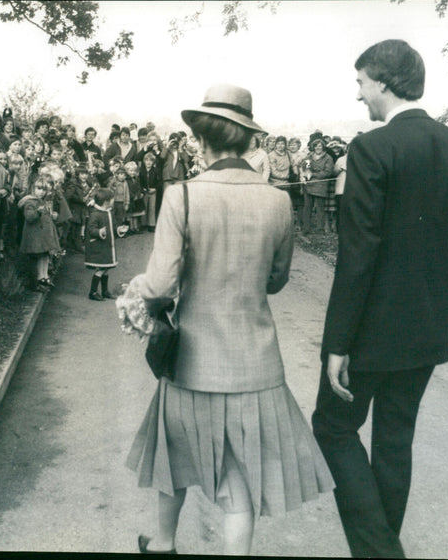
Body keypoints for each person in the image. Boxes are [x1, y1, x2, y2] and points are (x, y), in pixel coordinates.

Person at [125, 84, 333, 555]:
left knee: (172, 456)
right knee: (240, 479)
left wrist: (144, 302)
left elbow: (158, 286)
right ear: (248, 141)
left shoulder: (182, 196)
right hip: (254, 366)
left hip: (191, 362)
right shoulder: (278, 201)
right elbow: (276, 281)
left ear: (201, 141)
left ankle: (161, 544)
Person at [311, 40, 448, 558]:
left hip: (370, 333)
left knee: (332, 427)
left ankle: (380, 551)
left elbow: (357, 254)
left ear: (383, 83)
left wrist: (336, 343)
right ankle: (381, 547)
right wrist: (447, 320)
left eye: (362, 82)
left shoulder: (371, 148)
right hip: (427, 328)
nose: (359, 93)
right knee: (394, 439)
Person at [18, 176, 61, 291]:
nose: (41, 192)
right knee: (34, 260)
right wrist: (38, 212)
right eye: (38, 189)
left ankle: (41, 278)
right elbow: (29, 217)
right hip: (34, 237)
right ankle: (34, 284)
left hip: (41, 237)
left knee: (43, 256)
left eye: (43, 190)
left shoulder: (40, 201)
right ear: (33, 189)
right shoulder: (30, 202)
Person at [84, 188, 126, 301]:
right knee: (101, 269)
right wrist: (99, 232)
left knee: (106, 268)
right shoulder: (95, 214)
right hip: (99, 246)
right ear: (106, 201)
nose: (113, 201)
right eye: (112, 199)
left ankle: (105, 291)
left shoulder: (109, 213)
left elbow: (114, 227)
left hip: (107, 245)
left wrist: (119, 229)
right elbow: (91, 229)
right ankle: (92, 292)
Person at [300, 137, 334, 234]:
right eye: (316, 146)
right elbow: (304, 167)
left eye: (320, 146)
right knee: (307, 207)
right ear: (313, 147)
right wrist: (305, 174)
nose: (318, 148)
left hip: (321, 186)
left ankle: (320, 229)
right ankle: (306, 229)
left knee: (320, 208)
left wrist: (313, 175)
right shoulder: (309, 157)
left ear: (323, 147)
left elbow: (327, 172)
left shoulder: (328, 158)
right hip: (309, 185)